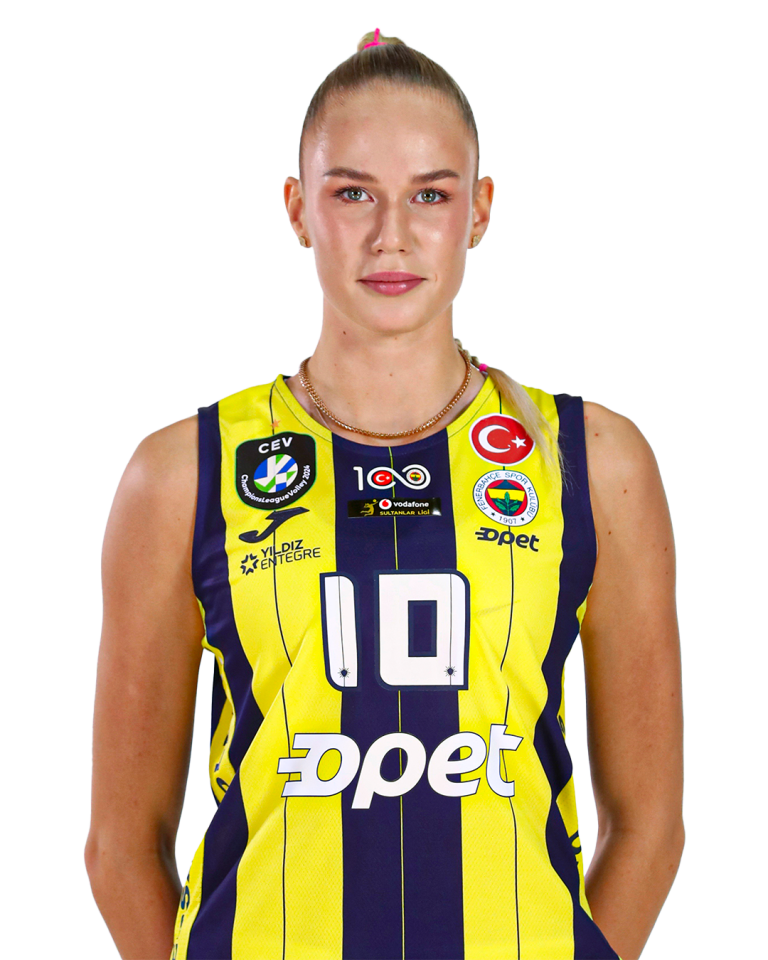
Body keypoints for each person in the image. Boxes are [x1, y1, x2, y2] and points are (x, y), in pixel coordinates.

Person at [85, 27, 685, 960]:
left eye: (431, 195)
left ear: (480, 209)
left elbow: (650, 827)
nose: (391, 236)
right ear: (298, 207)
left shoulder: (594, 460)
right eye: (353, 192)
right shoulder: (182, 472)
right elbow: (122, 846)